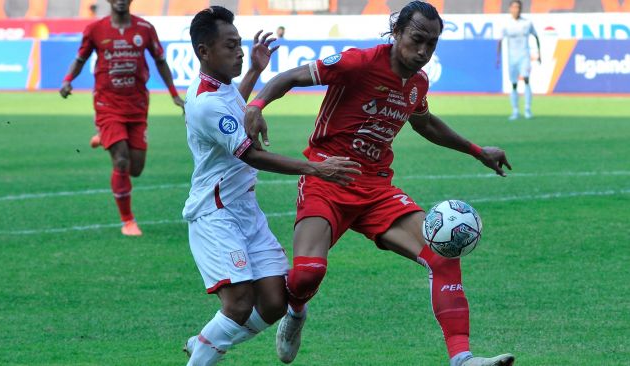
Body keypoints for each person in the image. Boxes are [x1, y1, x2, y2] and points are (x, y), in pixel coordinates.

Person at [244, 1, 515, 365]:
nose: (423, 51)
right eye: (417, 39)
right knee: (308, 273)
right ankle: (295, 312)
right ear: (398, 32)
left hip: (376, 190)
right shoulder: (358, 62)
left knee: (443, 254)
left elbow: (425, 123)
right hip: (327, 176)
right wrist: (256, 105)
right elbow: (290, 77)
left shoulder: (417, 84)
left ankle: (462, 358)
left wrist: (476, 150)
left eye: (431, 44)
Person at [180, 7, 361, 366]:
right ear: (204, 51)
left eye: (239, 44)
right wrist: (316, 168)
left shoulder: (220, 89)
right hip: (216, 214)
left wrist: (254, 72)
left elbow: (235, 107)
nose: (240, 51)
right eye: (230, 46)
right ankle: (201, 354)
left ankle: (205, 341)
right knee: (238, 304)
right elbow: (253, 156)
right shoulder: (205, 103)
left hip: (244, 209)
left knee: (276, 301)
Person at [59, 0, 184, 236]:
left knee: (136, 169)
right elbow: (81, 59)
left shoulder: (145, 29)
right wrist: (67, 79)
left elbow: (160, 61)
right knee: (122, 162)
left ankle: (105, 138)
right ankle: (128, 221)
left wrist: (174, 95)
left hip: (137, 105)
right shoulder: (95, 29)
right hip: (108, 105)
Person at [497, 0, 540, 120]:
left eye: (518, 7)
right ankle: (515, 110)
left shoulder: (527, 23)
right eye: (514, 7)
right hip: (512, 58)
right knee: (514, 84)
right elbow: (500, 41)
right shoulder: (506, 24)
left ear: (521, 9)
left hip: (524, 56)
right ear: (510, 9)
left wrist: (539, 53)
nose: (516, 9)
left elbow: (536, 37)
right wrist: (498, 57)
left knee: (526, 79)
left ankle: (527, 109)